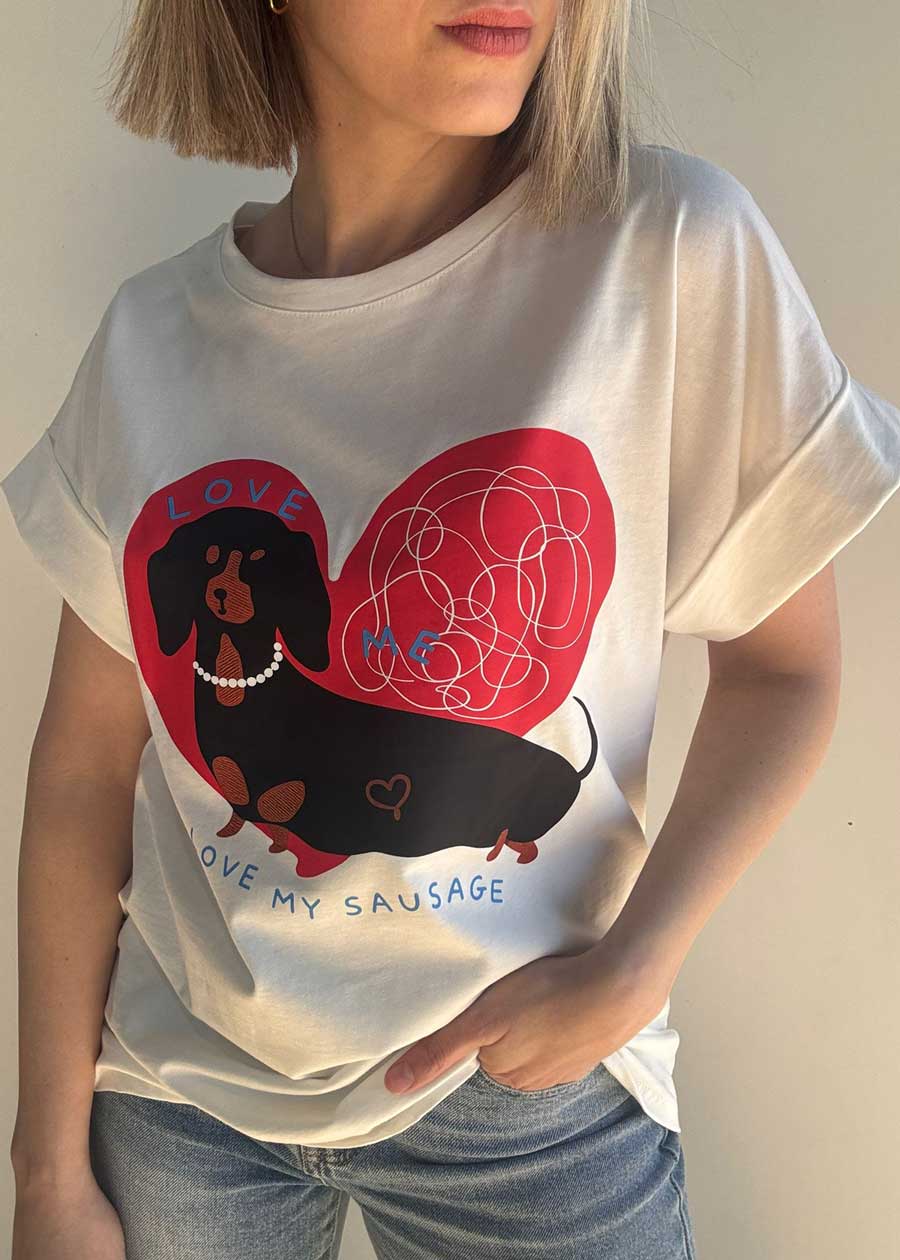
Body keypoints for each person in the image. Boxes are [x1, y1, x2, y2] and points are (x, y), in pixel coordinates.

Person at [5, 0, 900, 1255]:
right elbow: (84, 773)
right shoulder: (150, 341)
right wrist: (46, 1172)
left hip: (527, 1101)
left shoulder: (664, 246)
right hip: (182, 1100)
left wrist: (635, 969)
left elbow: (783, 669)